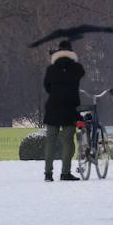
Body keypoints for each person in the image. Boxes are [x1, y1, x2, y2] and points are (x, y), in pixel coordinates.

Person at [42, 40, 86, 182]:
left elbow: (47, 87)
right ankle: (65, 172)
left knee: (51, 141)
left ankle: (48, 174)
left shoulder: (51, 69)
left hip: (53, 107)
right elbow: (81, 73)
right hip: (69, 108)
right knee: (68, 141)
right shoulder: (76, 68)